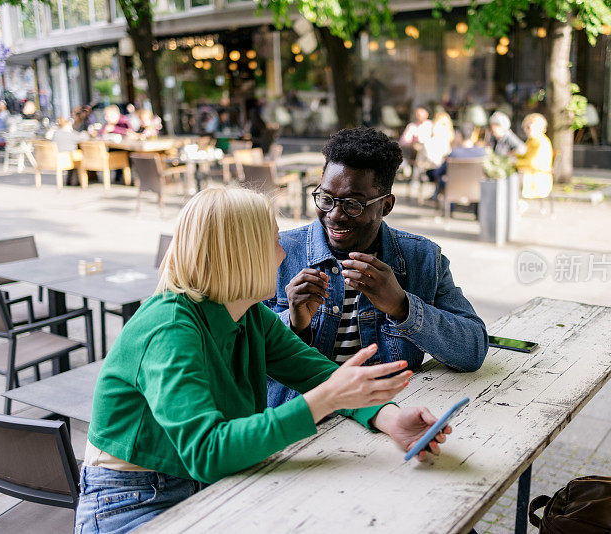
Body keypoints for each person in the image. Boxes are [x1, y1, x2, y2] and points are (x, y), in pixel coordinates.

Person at [76, 186, 452, 533]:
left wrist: (389, 418)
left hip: (208, 483)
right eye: (274, 242)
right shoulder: (169, 328)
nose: (284, 254)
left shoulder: (249, 315)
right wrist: (326, 400)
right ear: (241, 254)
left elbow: (317, 373)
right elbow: (208, 452)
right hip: (133, 499)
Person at [266, 127, 489, 408]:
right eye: (326, 198)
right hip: (300, 421)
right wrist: (295, 324)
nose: (335, 215)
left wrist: (402, 306)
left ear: (386, 205)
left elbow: (473, 349)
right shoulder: (280, 253)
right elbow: (242, 355)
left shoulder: (422, 259)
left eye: (353, 204)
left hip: (389, 417)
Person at [515, 113, 554, 199]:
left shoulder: (541, 142)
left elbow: (532, 163)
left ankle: (517, 204)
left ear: (538, 127)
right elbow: (524, 154)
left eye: (528, 127)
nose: (525, 130)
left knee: (510, 179)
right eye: (524, 127)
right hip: (530, 174)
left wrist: (514, 162)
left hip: (538, 178)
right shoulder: (532, 140)